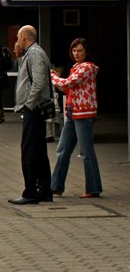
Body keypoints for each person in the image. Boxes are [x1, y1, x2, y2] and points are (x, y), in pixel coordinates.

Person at [50, 38, 103, 198]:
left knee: (86, 151)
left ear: (86, 52)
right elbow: (67, 87)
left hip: (83, 113)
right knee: (62, 150)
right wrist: (57, 80)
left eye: (79, 50)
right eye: (74, 50)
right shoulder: (76, 67)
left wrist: (52, 76)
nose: (76, 53)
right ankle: (56, 186)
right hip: (73, 112)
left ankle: (93, 188)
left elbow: (67, 83)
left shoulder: (86, 68)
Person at [8, 25, 53, 205]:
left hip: (34, 109)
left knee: (29, 150)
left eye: (18, 37)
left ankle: (30, 192)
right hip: (35, 108)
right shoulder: (34, 53)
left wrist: (29, 105)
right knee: (39, 150)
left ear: (24, 38)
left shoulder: (34, 53)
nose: (17, 41)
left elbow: (39, 82)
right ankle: (44, 190)